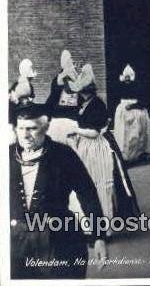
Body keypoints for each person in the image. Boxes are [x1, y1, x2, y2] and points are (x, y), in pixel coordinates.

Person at [10, 103, 107, 279]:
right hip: (15, 242)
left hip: (59, 238)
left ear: (45, 128)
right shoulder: (6, 156)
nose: (25, 135)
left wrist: (99, 237)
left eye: (32, 129)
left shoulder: (63, 155)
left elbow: (87, 193)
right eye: (21, 128)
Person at [66, 64, 140, 231]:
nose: (81, 94)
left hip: (97, 148)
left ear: (89, 90)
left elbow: (94, 132)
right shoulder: (84, 103)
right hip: (85, 147)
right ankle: (91, 226)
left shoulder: (97, 105)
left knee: (97, 185)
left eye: (83, 91)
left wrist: (75, 130)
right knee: (85, 185)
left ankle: (102, 228)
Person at [114, 64, 150, 163]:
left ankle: (139, 153)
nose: (127, 80)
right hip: (123, 111)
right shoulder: (120, 87)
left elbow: (143, 102)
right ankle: (125, 155)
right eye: (125, 77)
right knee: (123, 132)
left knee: (137, 132)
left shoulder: (138, 87)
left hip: (136, 110)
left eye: (129, 77)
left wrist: (133, 106)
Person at [46, 50, 80, 144]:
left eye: (70, 59)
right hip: (60, 118)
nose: (71, 61)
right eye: (68, 59)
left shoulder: (74, 77)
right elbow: (53, 97)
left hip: (72, 117)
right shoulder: (58, 79)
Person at [9, 59, 37, 143]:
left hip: (22, 113)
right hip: (19, 114)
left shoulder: (23, 84)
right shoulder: (21, 84)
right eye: (30, 69)